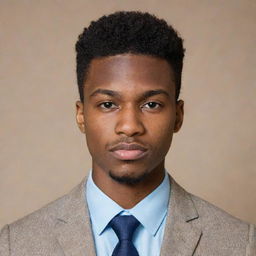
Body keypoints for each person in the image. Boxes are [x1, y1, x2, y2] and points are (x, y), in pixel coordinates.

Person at [0, 11, 255, 256]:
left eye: (151, 104)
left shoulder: (241, 244)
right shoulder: (14, 245)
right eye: (108, 104)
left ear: (178, 116)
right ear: (81, 115)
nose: (130, 126)